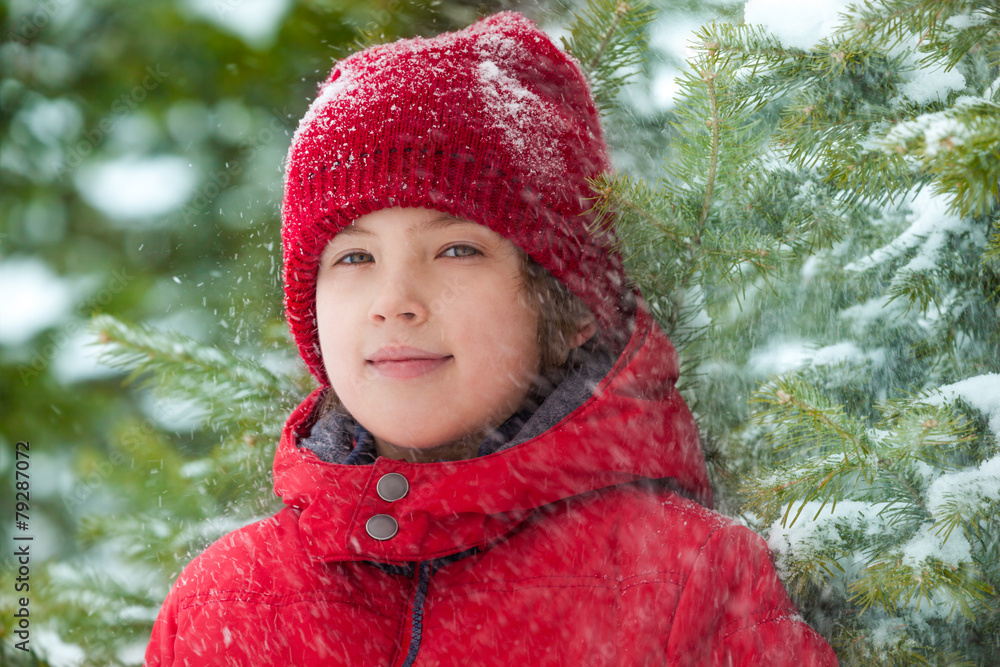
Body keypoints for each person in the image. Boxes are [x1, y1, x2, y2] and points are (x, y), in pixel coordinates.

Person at [145, 11, 838, 666]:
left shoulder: (686, 578)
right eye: (354, 258)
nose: (395, 302)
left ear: (567, 304)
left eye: (455, 251)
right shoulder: (222, 601)